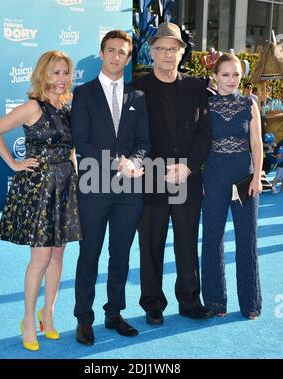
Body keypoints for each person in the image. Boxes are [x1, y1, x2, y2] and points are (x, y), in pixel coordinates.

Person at [0, 51, 81, 351]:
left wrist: (77, 176)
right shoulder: (32, 107)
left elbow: (71, 150)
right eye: (56, 72)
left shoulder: (68, 107)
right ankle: (28, 319)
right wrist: (15, 165)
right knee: (39, 259)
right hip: (40, 188)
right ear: (43, 75)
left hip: (65, 185)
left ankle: (48, 314)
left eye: (65, 72)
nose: (62, 78)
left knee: (57, 256)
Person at [71, 30, 150, 345]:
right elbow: (82, 142)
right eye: (111, 50)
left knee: (120, 254)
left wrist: (135, 162)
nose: (117, 56)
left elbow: (145, 142)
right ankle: (83, 319)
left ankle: (114, 312)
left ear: (129, 58)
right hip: (94, 185)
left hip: (130, 190)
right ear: (102, 53)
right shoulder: (84, 93)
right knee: (89, 254)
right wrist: (115, 162)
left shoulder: (138, 97)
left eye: (123, 52)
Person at [132, 22, 213, 325]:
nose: (167, 54)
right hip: (151, 179)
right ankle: (153, 303)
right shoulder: (137, 87)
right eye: (161, 48)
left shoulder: (195, 87)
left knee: (187, 243)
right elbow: (132, 135)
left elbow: (206, 133)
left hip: (186, 179)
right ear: (151, 52)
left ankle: (190, 301)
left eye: (173, 48)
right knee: (150, 245)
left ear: (182, 52)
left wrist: (189, 166)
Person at [201, 53, 263, 320]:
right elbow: (199, 144)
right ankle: (215, 302)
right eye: (225, 74)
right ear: (215, 76)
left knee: (246, 239)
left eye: (236, 74)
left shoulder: (250, 104)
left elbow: (257, 144)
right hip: (214, 178)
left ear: (242, 75)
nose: (231, 80)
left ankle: (250, 303)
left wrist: (258, 176)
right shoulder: (206, 105)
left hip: (244, 180)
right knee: (213, 239)